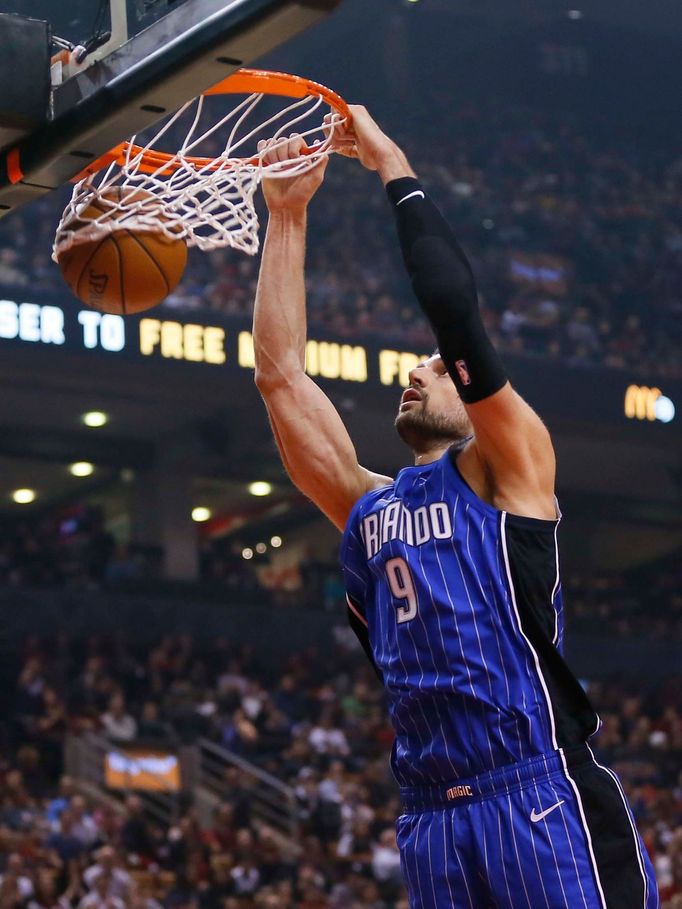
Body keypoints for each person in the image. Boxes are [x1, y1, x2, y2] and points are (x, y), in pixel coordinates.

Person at [252, 108, 660, 908]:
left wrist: (393, 164)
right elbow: (280, 376)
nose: (417, 369)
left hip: (537, 792)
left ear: (477, 401)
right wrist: (288, 215)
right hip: (433, 819)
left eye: (437, 369)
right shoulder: (368, 509)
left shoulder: (513, 472)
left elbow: (455, 313)